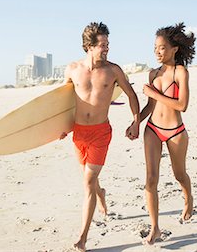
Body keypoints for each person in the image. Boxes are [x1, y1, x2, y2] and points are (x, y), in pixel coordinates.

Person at [59, 22, 140, 252]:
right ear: (89, 46)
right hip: (79, 133)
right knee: (91, 181)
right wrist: (62, 127)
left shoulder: (113, 70)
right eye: (102, 45)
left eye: (107, 44)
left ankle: (82, 238)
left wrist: (135, 121)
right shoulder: (72, 69)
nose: (106, 49)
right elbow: (61, 104)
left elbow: (131, 94)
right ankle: (101, 194)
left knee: (86, 183)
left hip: (100, 134)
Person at [139, 22, 196, 244]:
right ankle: (155, 228)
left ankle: (188, 198)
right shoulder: (153, 73)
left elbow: (182, 105)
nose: (157, 51)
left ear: (174, 49)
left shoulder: (180, 72)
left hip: (175, 132)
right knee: (151, 179)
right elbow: (150, 106)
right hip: (152, 128)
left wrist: (153, 92)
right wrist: (136, 122)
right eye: (155, 47)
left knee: (179, 175)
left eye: (162, 47)